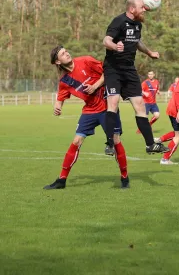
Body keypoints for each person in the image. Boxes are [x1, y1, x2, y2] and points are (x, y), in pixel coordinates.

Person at [44, 46, 130, 190]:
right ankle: (62, 180)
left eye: (66, 51)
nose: (67, 53)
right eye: (63, 54)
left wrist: (95, 86)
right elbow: (61, 96)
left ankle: (124, 177)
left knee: (115, 140)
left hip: (107, 107)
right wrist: (57, 106)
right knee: (76, 141)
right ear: (58, 62)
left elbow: (108, 72)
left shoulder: (86, 61)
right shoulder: (65, 80)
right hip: (89, 111)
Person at [102, 0, 169, 155]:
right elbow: (106, 40)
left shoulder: (138, 24)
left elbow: (137, 42)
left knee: (140, 106)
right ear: (132, 9)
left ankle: (150, 144)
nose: (145, 9)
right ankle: (110, 143)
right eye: (141, 7)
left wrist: (150, 52)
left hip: (129, 70)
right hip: (113, 69)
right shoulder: (118, 21)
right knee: (113, 103)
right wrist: (114, 46)